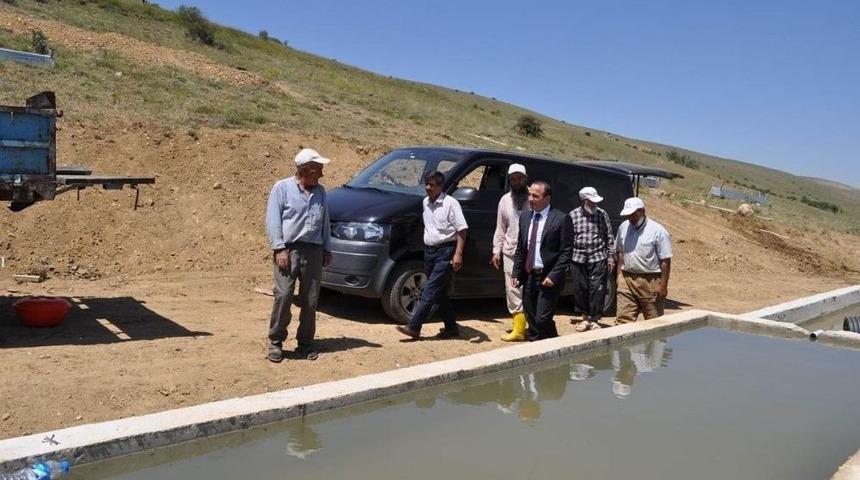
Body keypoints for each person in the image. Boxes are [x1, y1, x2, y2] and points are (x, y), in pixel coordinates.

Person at [265, 148, 333, 363]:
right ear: (306, 170)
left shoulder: (320, 192)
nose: (321, 174)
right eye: (318, 169)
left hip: (313, 250)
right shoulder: (282, 188)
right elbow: (273, 220)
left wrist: (327, 248)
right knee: (284, 295)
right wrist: (279, 248)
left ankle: (305, 343)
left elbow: (325, 222)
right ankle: (276, 342)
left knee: (310, 299)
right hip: (288, 249)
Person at [395, 171, 468, 339]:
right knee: (439, 291)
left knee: (430, 289)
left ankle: (414, 326)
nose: (428, 188)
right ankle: (451, 327)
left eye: (432, 185)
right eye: (426, 184)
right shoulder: (425, 203)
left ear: (440, 187)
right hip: (429, 251)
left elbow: (462, 229)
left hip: (446, 251)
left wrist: (458, 253)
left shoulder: (451, 204)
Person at [511, 181, 573, 341]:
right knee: (531, 318)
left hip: (548, 277)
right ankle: (540, 345)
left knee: (542, 318)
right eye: (530, 195)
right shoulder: (525, 217)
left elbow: (566, 252)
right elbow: (521, 248)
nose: (530, 199)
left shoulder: (561, 219)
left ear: (547, 199)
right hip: (530, 275)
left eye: (535, 196)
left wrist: (553, 275)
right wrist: (516, 273)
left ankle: (551, 342)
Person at [615, 197, 672, 323]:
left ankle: (655, 343)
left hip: (650, 281)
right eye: (628, 215)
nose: (630, 218)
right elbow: (620, 252)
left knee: (654, 322)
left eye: (633, 215)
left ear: (642, 211)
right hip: (627, 279)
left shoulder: (658, 231)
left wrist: (663, 286)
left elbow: (665, 261)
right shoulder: (623, 227)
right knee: (622, 320)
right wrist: (619, 275)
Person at [491, 163, 529, 342]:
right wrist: (496, 250)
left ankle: (532, 326)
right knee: (512, 289)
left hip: (530, 253)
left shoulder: (535, 197)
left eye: (519, 178)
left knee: (529, 290)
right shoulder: (505, 200)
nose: (516, 182)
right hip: (510, 251)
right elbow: (501, 227)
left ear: (525, 178)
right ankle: (519, 329)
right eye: (512, 179)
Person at [569, 186, 616, 332]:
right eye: (592, 202)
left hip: (598, 257)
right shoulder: (573, 215)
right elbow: (568, 238)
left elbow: (609, 237)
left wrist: (610, 257)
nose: (595, 204)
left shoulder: (602, 214)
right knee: (581, 289)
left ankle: (595, 319)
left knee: (598, 289)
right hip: (578, 258)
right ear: (584, 201)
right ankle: (585, 319)